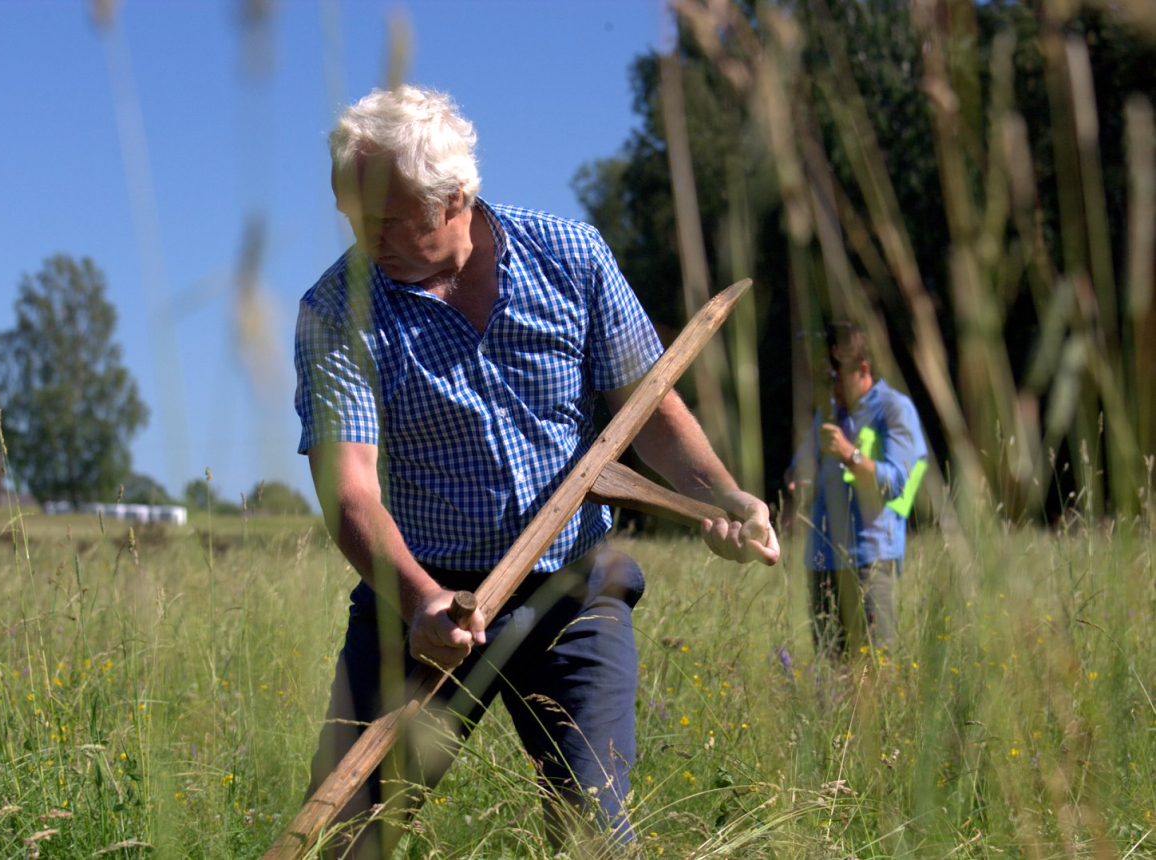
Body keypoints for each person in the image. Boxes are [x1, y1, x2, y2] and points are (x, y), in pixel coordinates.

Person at [293, 85, 779, 859]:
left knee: (591, 836)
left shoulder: (569, 257)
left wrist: (719, 495)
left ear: (455, 197)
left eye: (386, 218)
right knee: (351, 837)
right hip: (423, 601)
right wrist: (421, 602)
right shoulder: (335, 312)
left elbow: (646, 407)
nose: (365, 238)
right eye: (352, 216)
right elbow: (347, 485)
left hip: (572, 592)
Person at [786, 322, 928, 658]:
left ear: (862, 369)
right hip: (821, 559)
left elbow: (898, 484)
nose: (829, 387)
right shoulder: (829, 412)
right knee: (828, 669)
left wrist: (850, 454)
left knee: (872, 667)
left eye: (834, 378)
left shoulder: (894, 409)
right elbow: (798, 467)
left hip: (869, 558)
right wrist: (798, 479)